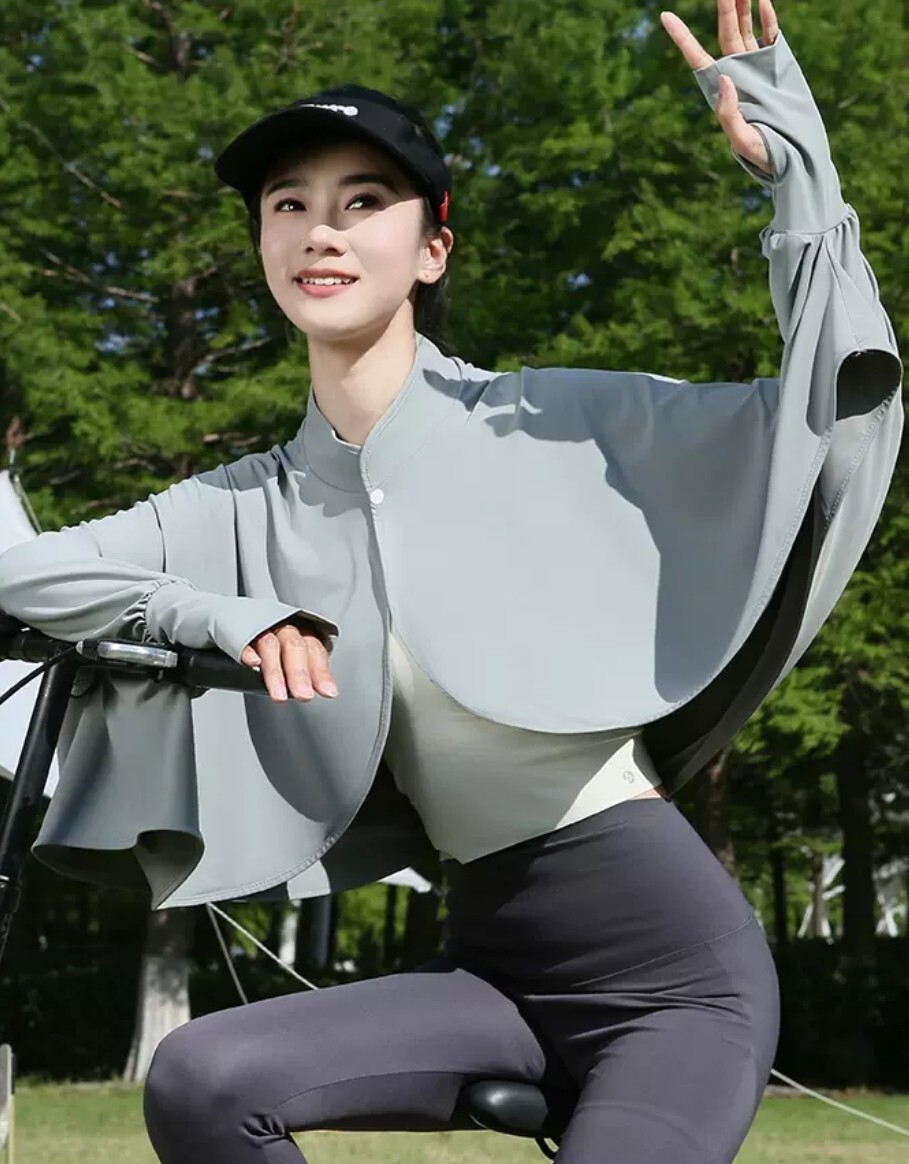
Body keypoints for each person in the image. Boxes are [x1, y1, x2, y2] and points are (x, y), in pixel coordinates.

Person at [0, 0, 902, 1160]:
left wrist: (798, 183)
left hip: (672, 983)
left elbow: (834, 418)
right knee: (202, 1080)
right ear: (265, 248)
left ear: (433, 249)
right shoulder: (234, 506)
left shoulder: (556, 421)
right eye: (289, 205)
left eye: (362, 201)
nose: (320, 231)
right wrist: (215, 614)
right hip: (490, 964)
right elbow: (17, 574)